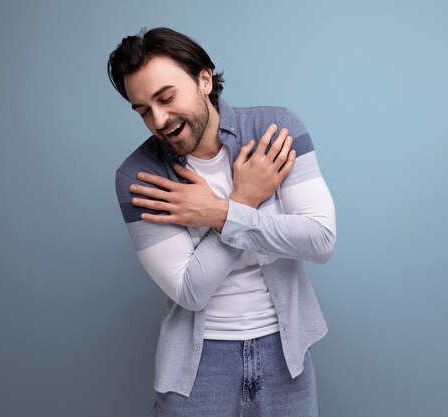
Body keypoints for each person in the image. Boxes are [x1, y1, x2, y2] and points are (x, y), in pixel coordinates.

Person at [107, 27, 336, 417]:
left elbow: (319, 239)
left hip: (287, 355)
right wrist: (244, 199)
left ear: (204, 79)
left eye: (166, 97)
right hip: (199, 372)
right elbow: (191, 289)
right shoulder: (140, 177)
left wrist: (219, 212)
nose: (159, 120)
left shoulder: (274, 132)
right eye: (143, 110)